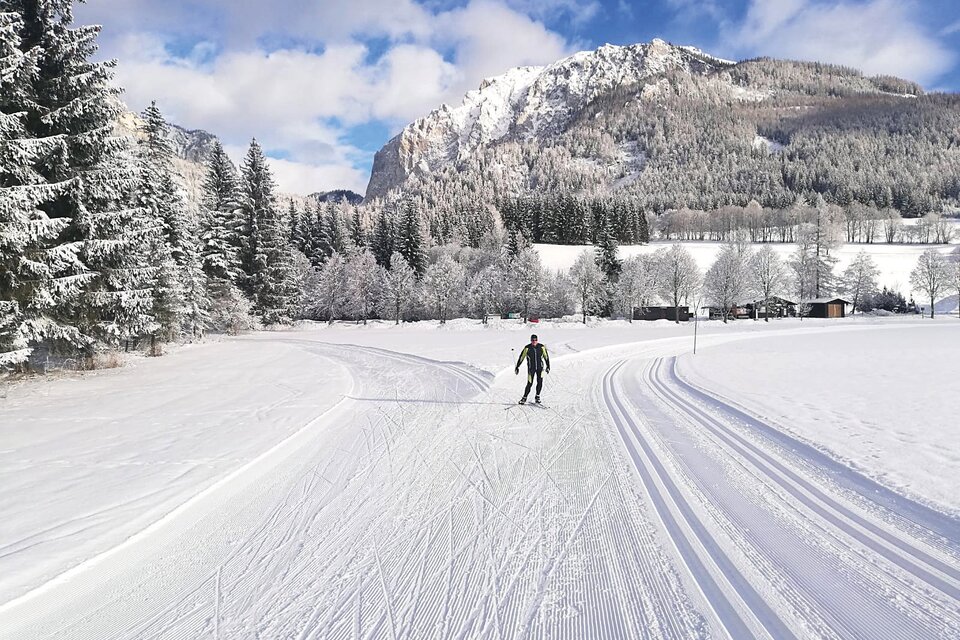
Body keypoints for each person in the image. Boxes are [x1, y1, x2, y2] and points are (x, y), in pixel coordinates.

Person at [514, 334, 550, 404]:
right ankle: (524, 398)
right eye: (533, 340)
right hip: (531, 369)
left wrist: (548, 366)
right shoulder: (527, 348)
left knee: (540, 382)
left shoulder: (541, 347)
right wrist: (517, 366)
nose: (534, 341)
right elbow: (522, 357)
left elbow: (546, 357)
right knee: (529, 383)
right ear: (531, 340)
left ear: (537, 340)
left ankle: (537, 396)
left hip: (540, 368)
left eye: (535, 340)